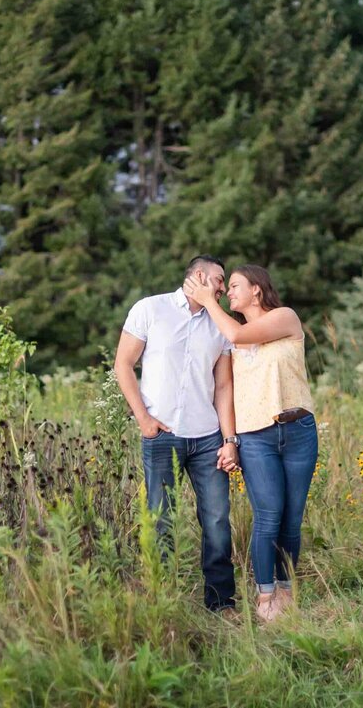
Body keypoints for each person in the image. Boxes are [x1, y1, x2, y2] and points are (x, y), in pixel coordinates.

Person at [183, 264, 317, 622]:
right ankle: (266, 597)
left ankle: (287, 592)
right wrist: (230, 442)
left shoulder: (285, 318)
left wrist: (207, 301)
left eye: (236, 285)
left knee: (292, 519)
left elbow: (242, 336)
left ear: (257, 290)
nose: (228, 292)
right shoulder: (230, 336)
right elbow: (224, 391)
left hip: (299, 429)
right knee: (268, 516)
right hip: (256, 437)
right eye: (226, 288)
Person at [114, 255, 241, 613]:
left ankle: (221, 603)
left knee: (216, 519)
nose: (222, 288)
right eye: (219, 280)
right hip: (162, 434)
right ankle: (163, 600)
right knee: (161, 518)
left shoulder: (221, 325)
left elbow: (224, 386)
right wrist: (143, 419)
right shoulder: (150, 309)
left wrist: (229, 440)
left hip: (207, 439)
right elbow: (123, 363)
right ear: (199, 276)